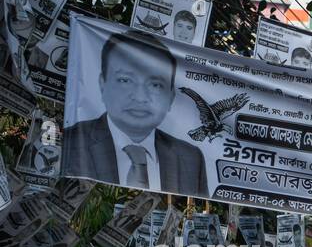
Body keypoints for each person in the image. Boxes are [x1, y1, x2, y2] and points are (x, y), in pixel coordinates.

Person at [62, 29, 207, 196]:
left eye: (155, 85)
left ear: (171, 97)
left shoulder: (191, 158)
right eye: (125, 80)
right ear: (103, 84)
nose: (140, 97)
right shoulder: (69, 143)